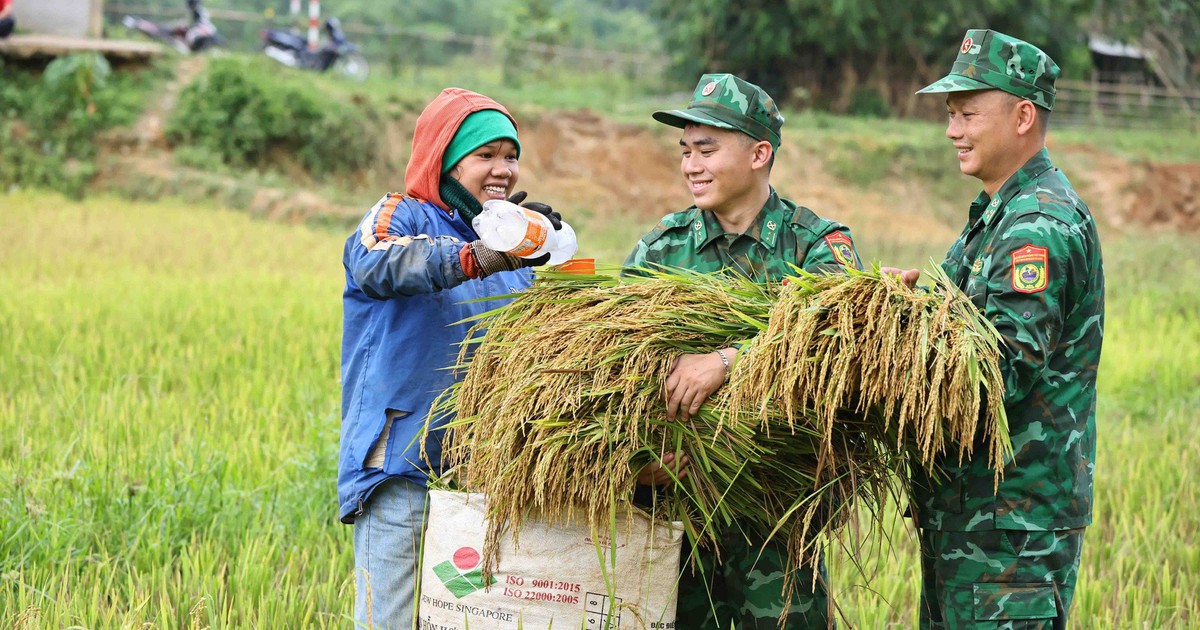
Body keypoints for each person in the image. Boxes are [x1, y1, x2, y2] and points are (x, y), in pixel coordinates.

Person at [623, 73, 863, 629]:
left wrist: (729, 361)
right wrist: (640, 466)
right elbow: (621, 371)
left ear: (759, 154)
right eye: (685, 150)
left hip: (777, 518)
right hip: (677, 519)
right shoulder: (660, 250)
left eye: (707, 149)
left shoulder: (816, 245)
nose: (691, 165)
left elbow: (838, 346)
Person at [885, 29, 1105, 628]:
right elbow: (965, 324)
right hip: (971, 519)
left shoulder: (1038, 224)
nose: (952, 131)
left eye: (967, 114)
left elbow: (998, 369)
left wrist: (884, 359)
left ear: (1023, 117)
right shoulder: (997, 214)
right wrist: (900, 310)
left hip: (1011, 529)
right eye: (950, 115)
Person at [339, 88, 563, 629]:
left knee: (463, 619)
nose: (503, 169)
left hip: (480, 477)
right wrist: (478, 255)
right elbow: (375, 261)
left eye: (511, 156)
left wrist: (533, 250)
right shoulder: (400, 214)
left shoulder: (509, 253)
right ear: (445, 159)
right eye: (486, 155)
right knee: (390, 621)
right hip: (402, 463)